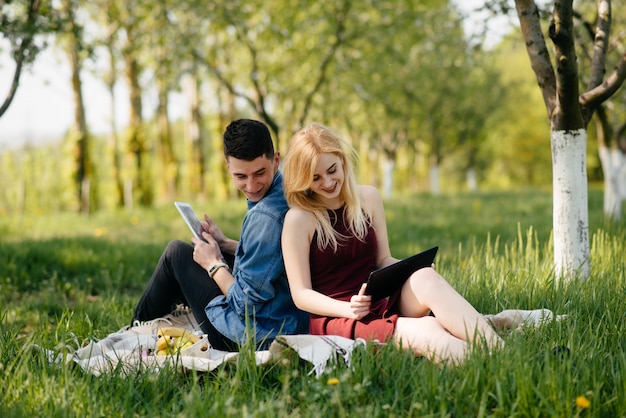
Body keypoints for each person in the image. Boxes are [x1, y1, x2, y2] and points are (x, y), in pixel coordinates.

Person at [281, 123, 503, 364]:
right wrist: (347, 309)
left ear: (342, 160)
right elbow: (301, 294)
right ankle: (491, 366)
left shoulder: (368, 198)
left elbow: (383, 260)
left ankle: (503, 353)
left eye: (332, 170)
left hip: (379, 299)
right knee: (428, 329)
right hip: (339, 316)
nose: (327, 182)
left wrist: (412, 270)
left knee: (425, 277)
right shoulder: (299, 219)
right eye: (315, 178)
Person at [132, 119, 309, 351]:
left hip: (251, 337)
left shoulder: (265, 215)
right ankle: (156, 322)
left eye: (259, 173)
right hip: (287, 318)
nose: (252, 185)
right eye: (241, 176)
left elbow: (245, 306)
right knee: (194, 256)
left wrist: (214, 264)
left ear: (275, 160)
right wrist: (225, 244)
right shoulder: (287, 188)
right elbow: (276, 257)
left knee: (176, 253)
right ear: (228, 167)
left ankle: (135, 330)